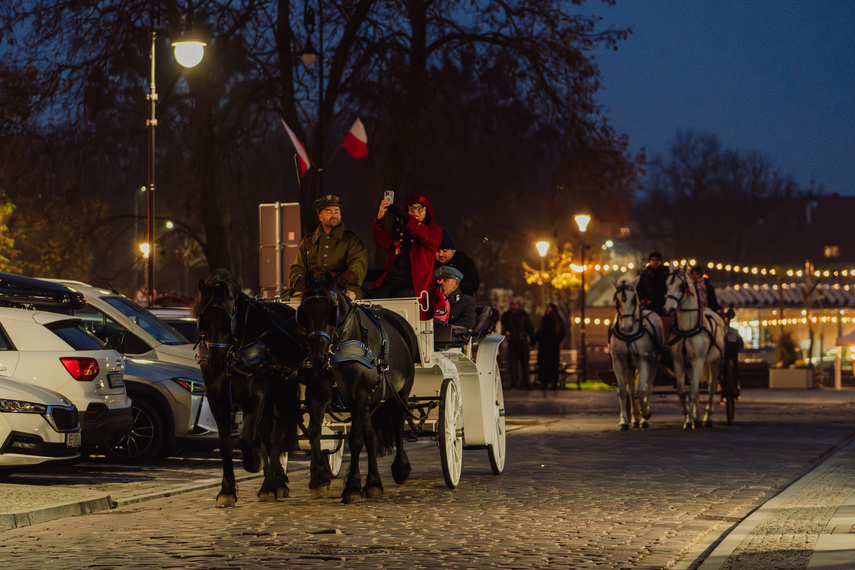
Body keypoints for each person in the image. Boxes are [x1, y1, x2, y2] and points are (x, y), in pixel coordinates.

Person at [372, 194, 443, 320]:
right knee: (377, 302)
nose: (415, 211)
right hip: (394, 280)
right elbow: (383, 242)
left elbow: (429, 240)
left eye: (420, 209)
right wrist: (380, 218)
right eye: (411, 208)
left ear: (427, 212)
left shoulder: (433, 229)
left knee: (403, 301)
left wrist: (406, 218)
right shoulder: (401, 230)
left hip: (415, 284)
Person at [289, 194, 368, 299]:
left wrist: (345, 278)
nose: (334, 215)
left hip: (343, 287)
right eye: (329, 212)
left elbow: (358, 262)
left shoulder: (351, 239)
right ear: (320, 217)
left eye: (336, 211)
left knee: (345, 300)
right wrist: (301, 281)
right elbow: (298, 267)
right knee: (294, 302)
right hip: (313, 288)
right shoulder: (308, 242)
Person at [434, 229, 481, 297]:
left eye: (445, 251)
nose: (441, 254)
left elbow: (473, 284)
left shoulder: (464, 262)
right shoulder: (432, 264)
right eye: (438, 251)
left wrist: (452, 284)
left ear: (453, 250)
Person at [501, 298, 535, 390]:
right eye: (512, 303)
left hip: (522, 343)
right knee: (513, 366)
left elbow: (529, 328)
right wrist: (505, 333)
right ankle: (514, 384)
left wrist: (532, 341)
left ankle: (526, 383)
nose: (514, 305)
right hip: (512, 343)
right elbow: (502, 328)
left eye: (515, 304)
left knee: (524, 365)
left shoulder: (523, 315)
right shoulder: (506, 315)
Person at [534, 303, 566, 390]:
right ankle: (544, 382)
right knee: (544, 365)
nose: (548, 309)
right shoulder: (545, 319)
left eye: (549, 308)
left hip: (552, 346)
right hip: (545, 346)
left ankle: (553, 382)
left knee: (552, 365)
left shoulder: (556, 320)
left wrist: (556, 341)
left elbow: (562, 332)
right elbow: (539, 332)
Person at [434, 265, 476, 330]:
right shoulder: (432, 299)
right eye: (439, 279)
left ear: (456, 284)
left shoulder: (466, 301)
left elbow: (468, 322)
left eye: (445, 280)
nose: (439, 282)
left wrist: (447, 330)